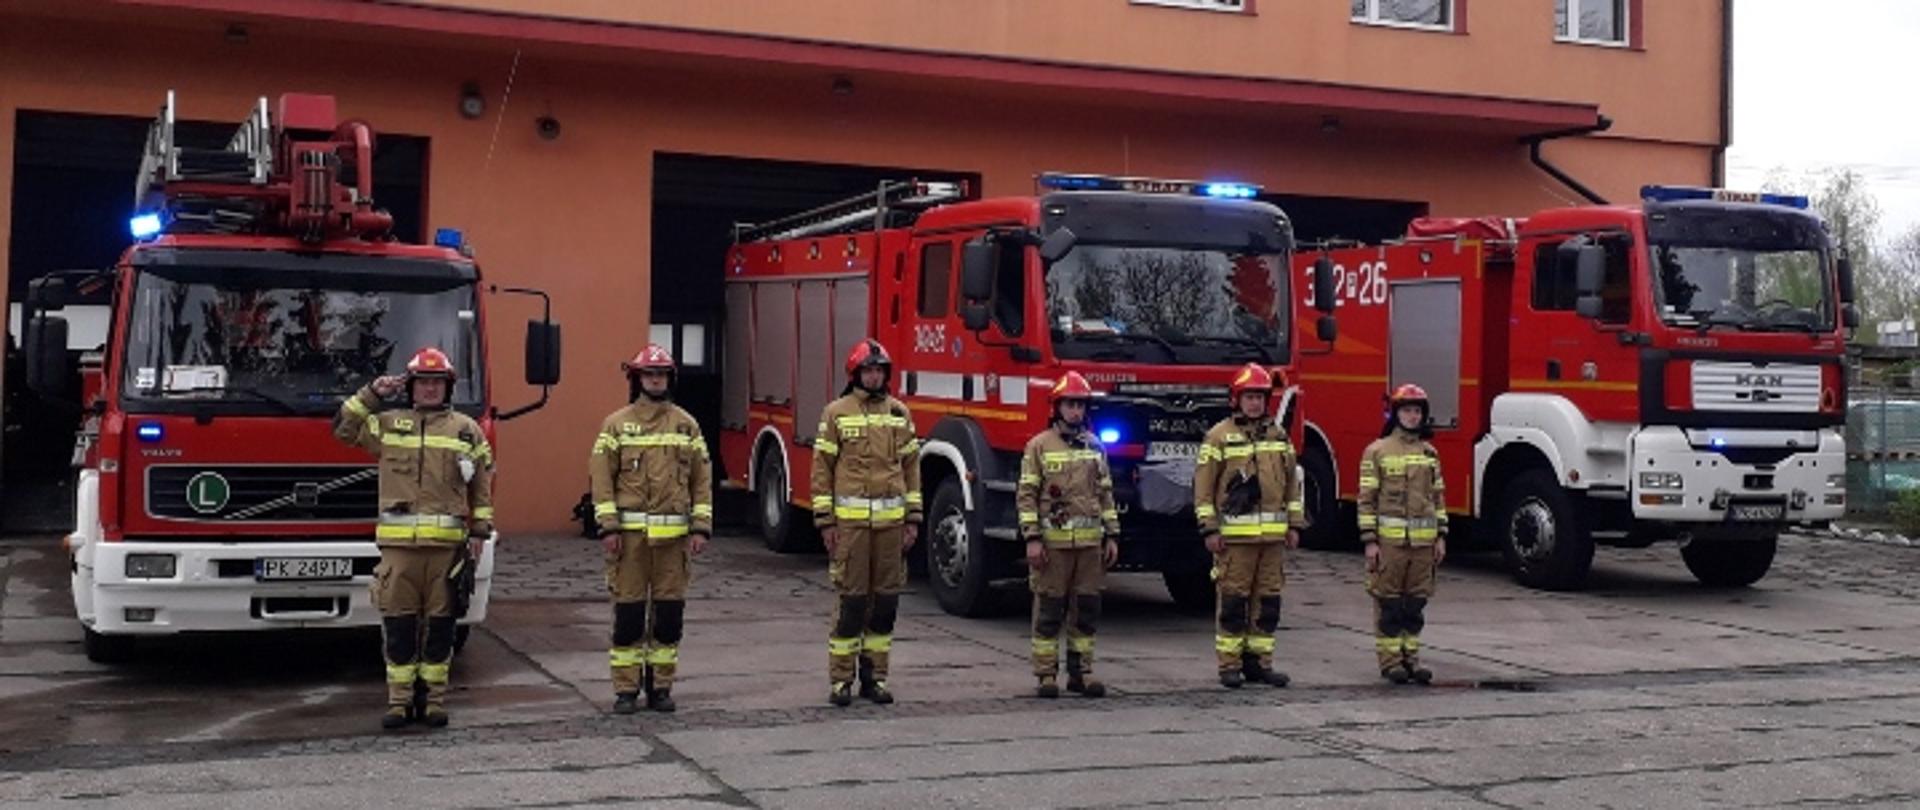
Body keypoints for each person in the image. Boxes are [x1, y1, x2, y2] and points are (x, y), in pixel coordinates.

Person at [334, 347, 494, 730]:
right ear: (411, 387)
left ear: (447, 387)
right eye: (423, 382)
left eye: (436, 383)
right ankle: (399, 703)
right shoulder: (387, 425)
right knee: (399, 626)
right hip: (399, 553)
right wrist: (374, 393)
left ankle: (434, 702)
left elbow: (483, 485)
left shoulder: (465, 429)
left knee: (442, 628)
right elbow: (344, 429)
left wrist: (479, 531)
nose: (429, 389)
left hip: (446, 551)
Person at [589, 344, 712, 715]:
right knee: (628, 616)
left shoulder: (687, 424)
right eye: (649, 374)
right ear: (637, 379)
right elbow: (601, 480)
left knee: (669, 616)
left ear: (669, 379)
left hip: (674, 544)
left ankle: (661, 688)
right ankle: (625, 690)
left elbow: (701, 481)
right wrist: (607, 527)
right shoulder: (616, 425)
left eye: (661, 374)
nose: (655, 380)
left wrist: (700, 528)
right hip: (628, 543)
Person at [811, 339, 921, 707]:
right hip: (851, 530)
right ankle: (841, 680)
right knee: (852, 603)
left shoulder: (899, 414)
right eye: (868, 370)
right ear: (855, 373)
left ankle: (875, 678)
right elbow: (821, 471)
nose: (874, 376)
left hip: (891, 530)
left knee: (886, 604)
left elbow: (912, 470)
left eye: (880, 370)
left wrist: (913, 520)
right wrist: (826, 522)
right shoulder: (836, 413)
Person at [1193, 363, 1301, 689]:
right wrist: (1209, 529)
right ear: (1236, 399)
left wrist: (1294, 524)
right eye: (1249, 396)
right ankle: (1230, 665)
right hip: (1234, 541)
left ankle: (1259, 663)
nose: (1255, 403)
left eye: (1259, 397)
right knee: (1233, 602)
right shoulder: (1218, 436)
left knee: (1268, 603)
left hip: (1271, 540)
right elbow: (1203, 488)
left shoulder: (1279, 436)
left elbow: (1291, 486)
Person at [1016, 371, 1120, 698]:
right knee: (1049, 610)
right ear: (1057, 407)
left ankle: (1082, 672)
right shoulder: (1038, 447)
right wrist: (1032, 538)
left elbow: (1105, 494)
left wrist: (1112, 535)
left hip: (1089, 547)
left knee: (1087, 610)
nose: (1076, 411)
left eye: (1080, 405)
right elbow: (1027, 496)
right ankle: (1046, 675)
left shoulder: (1095, 446)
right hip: (1053, 548)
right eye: (1070, 404)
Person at [1357, 383, 1448, 685]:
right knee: (1389, 604)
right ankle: (1391, 662)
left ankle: (1412, 659)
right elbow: (1366, 499)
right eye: (1407, 410)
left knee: (1415, 605)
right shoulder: (1377, 451)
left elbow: (1438, 499)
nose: (1412, 416)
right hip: (1391, 544)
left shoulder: (1429, 453)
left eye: (1417, 411)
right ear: (1396, 413)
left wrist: (1441, 536)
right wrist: (1370, 541)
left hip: (1423, 545)